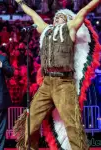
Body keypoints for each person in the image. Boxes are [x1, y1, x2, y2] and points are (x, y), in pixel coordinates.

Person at [13, 0, 101, 150]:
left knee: (72, 123)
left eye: (60, 16)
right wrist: (21, 2)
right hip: (47, 83)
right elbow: (33, 14)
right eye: (55, 17)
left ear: (67, 20)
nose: (56, 18)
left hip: (64, 82)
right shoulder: (46, 30)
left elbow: (85, 9)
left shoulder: (70, 28)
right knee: (31, 120)